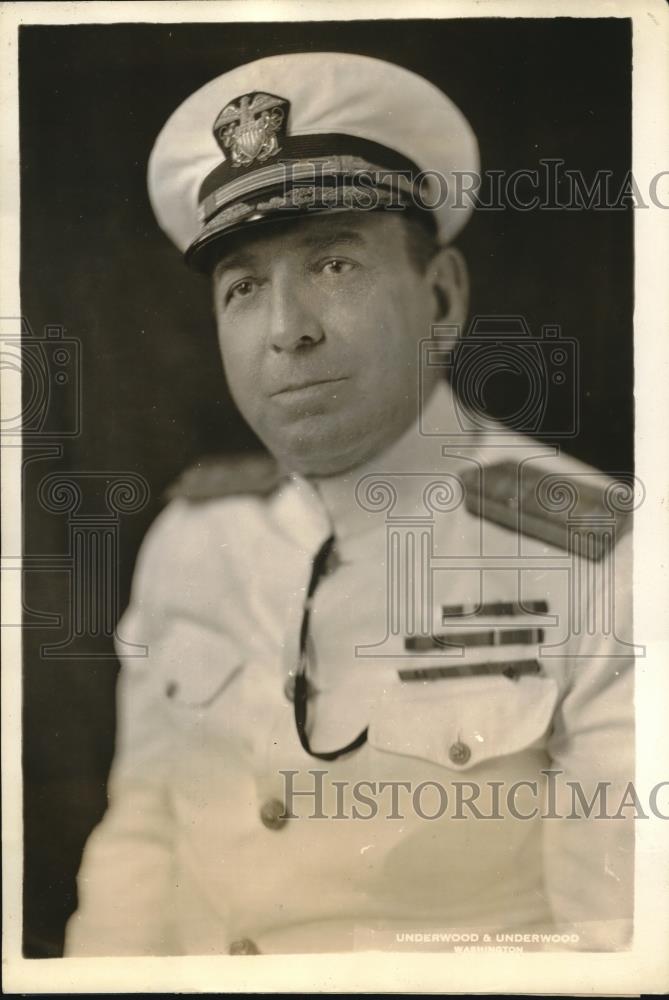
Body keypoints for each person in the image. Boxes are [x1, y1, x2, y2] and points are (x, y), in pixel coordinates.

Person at [65, 51, 634, 957]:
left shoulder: (598, 555)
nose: (287, 328)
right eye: (243, 286)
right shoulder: (189, 541)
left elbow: (619, 945)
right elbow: (139, 854)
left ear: (440, 298)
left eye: (333, 263)